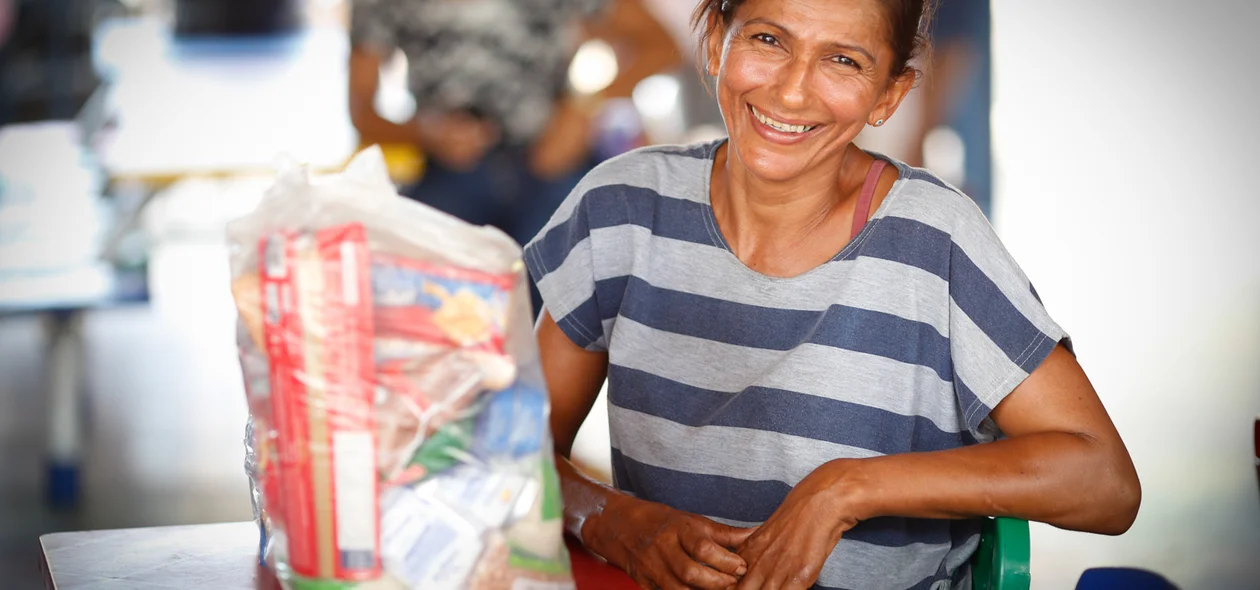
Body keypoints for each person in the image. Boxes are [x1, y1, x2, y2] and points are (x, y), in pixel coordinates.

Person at [524, 0, 1142, 589]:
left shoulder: (934, 239)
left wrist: (847, 489)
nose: (791, 91)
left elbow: (1102, 479)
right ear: (715, 40)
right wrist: (608, 519)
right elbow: (511, 454)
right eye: (768, 39)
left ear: (890, 95)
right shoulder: (621, 208)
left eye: (843, 60)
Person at [348, 0, 681, 250]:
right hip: (452, 170)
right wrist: (428, 132)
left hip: (548, 161)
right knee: (420, 286)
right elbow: (362, 112)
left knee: (572, 289)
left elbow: (661, 45)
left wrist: (582, 109)